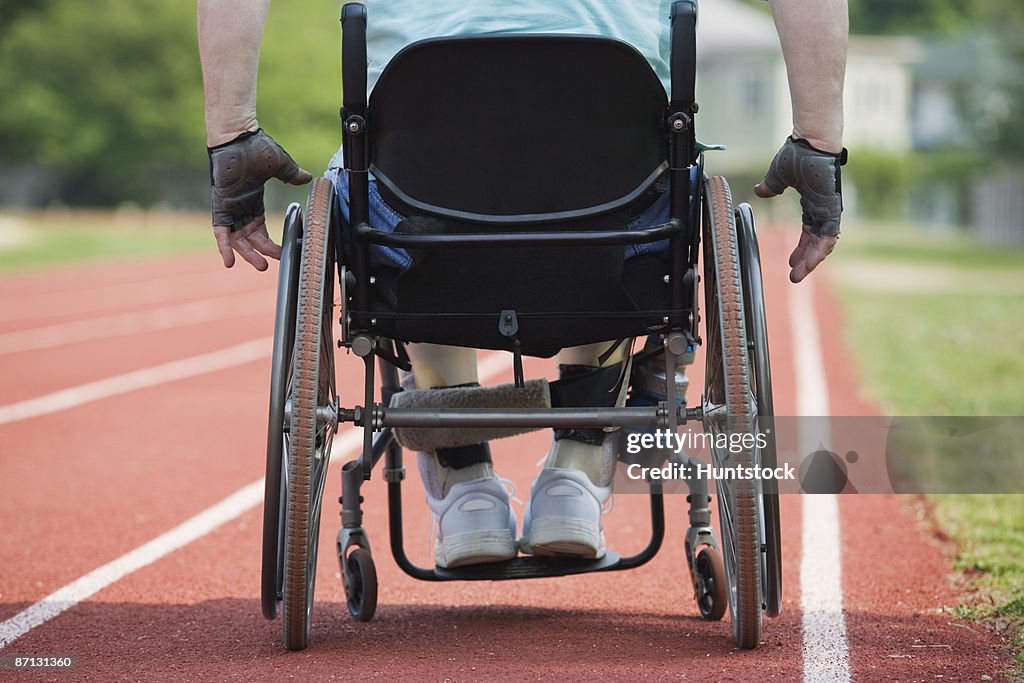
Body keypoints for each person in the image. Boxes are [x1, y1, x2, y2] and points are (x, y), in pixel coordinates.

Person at [198, 0, 848, 568]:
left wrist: (232, 136)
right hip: (611, 224)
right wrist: (817, 143)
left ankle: (465, 488)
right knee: (639, 190)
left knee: (385, 187)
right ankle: (578, 466)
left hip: (419, 221)